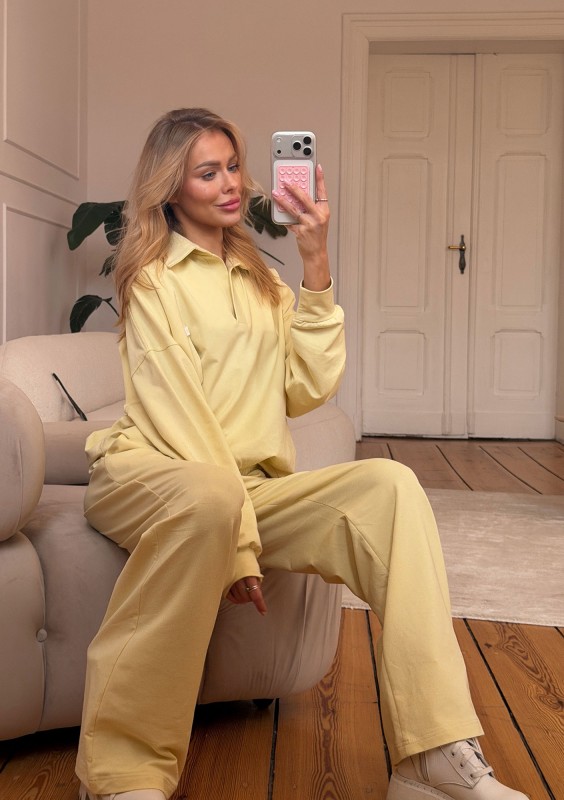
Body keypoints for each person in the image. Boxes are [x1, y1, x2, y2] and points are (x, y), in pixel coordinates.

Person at [76, 107, 527, 800]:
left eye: (233, 166)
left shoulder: (259, 277)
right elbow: (182, 418)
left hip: (243, 488)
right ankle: (121, 775)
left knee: (389, 486)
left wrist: (316, 260)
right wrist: (239, 548)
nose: (230, 184)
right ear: (170, 189)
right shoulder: (152, 280)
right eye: (207, 173)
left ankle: (433, 758)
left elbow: (305, 388)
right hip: (154, 472)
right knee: (213, 498)